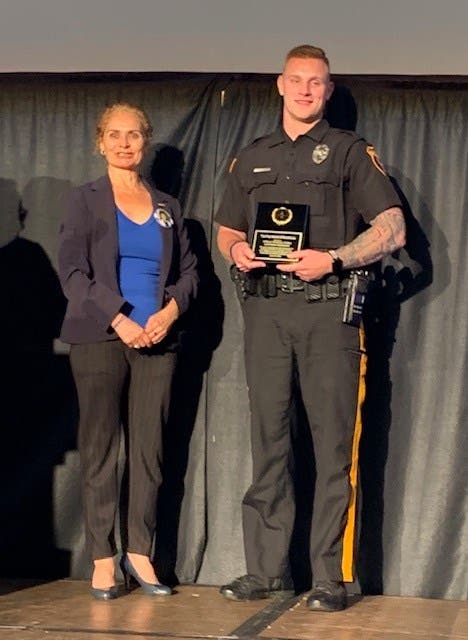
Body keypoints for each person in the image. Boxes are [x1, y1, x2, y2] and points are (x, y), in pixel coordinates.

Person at [216, 45, 405, 612]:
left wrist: (337, 258)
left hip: (329, 313)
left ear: (328, 90)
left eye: (315, 82)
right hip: (267, 313)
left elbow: (392, 228)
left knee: (332, 447)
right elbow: (226, 229)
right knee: (269, 443)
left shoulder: (348, 152)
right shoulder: (250, 157)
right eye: (296, 80)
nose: (304, 90)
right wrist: (238, 251)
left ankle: (330, 577)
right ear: (280, 85)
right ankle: (265, 571)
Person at [58, 103, 198, 599]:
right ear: (100, 143)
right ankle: (103, 558)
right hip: (101, 336)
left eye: (134, 135)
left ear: (146, 141)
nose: (124, 143)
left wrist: (168, 313)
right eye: (114, 135)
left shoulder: (167, 206)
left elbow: (189, 273)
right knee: (100, 449)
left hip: (157, 340)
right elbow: (73, 273)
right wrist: (120, 318)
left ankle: (140, 552)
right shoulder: (84, 200)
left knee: (149, 450)